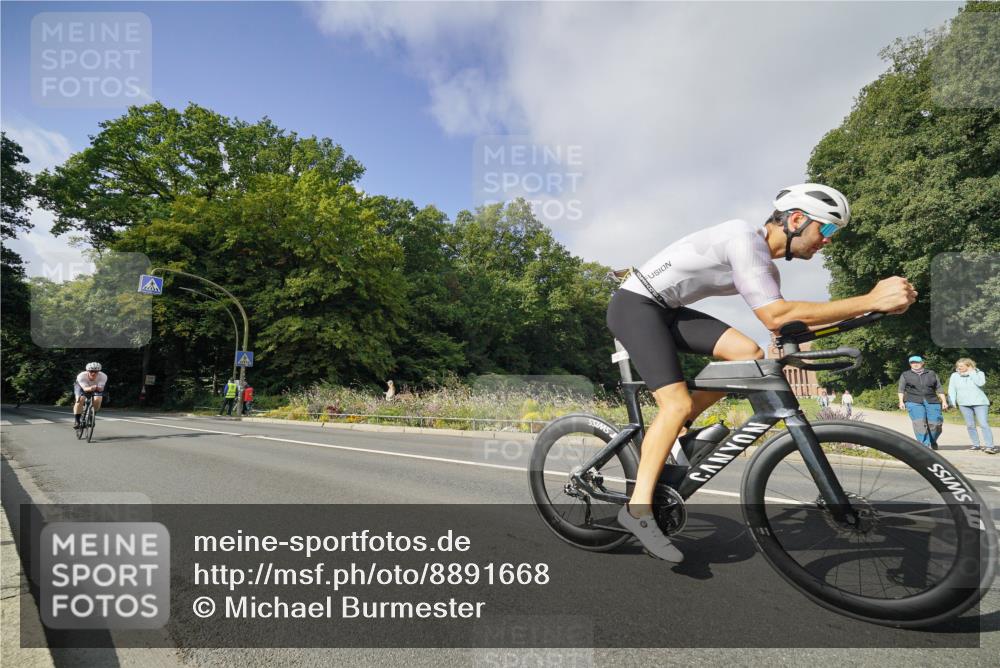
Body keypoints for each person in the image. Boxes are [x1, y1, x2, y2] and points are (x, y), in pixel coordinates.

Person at [607, 183, 916, 561]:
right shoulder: (743, 237)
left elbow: (784, 329)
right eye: (829, 229)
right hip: (635, 305)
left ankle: (673, 433)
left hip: (667, 310)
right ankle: (637, 510)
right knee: (672, 405)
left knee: (747, 353)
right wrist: (869, 298)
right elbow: (777, 315)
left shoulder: (765, 265)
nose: (828, 242)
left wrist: (874, 311)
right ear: (798, 220)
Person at [898, 356, 948, 449]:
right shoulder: (905, 374)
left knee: (936, 424)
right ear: (910, 364)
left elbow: (939, 388)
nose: (915, 364)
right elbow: (901, 389)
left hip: (932, 400)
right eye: (912, 363)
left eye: (917, 362)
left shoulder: (931, 373)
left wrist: (944, 401)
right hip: (913, 401)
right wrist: (901, 402)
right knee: (919, 424)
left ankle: (932, 441)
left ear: (922, 363)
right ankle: (924, 445)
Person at [947, 358, 995, 454]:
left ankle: (990, 446)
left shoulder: (979, 373)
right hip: (963, 403)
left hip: (980, 403)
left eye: (961, 366)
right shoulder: (954, 375)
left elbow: (980, 383)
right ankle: (976, 445)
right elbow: (952, 389)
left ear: (968, 366)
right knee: (970, 425)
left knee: (983, 424)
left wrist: (972, 372)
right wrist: (952, 402)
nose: (958, 368)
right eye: (958, 366)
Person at [73, 362, 107, 428]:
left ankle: (92, 415)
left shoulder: (103, 376)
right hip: (81, 387)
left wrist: (97, 388)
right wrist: (92, 388)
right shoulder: (81, 376)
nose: (93, 373)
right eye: (91, 371)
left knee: (98, 399)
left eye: (96, 371)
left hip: (95, 387)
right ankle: (77, 421)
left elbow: (101, 389)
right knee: (80, 400)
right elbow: (85, 389)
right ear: (87, 371)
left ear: (99, 372)